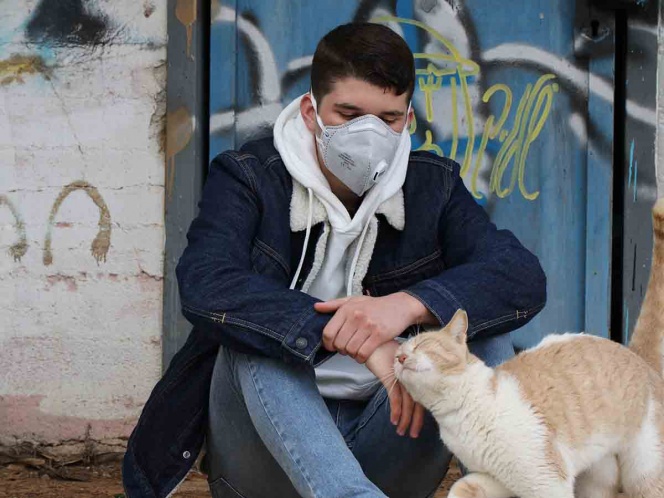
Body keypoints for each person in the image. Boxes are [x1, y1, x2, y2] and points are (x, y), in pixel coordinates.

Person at [122, 22, 546, 498]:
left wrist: (405, 306)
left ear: (408, 119)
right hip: (263, 456)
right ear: (311, 111)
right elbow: (206, 283)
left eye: (387, 119)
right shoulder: (250, 177)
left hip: (388, 441)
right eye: (348, 114)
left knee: (480, 330)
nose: (368, 134)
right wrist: (357, 339)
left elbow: (518, 275)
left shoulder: (433, 186)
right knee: (257, 334)